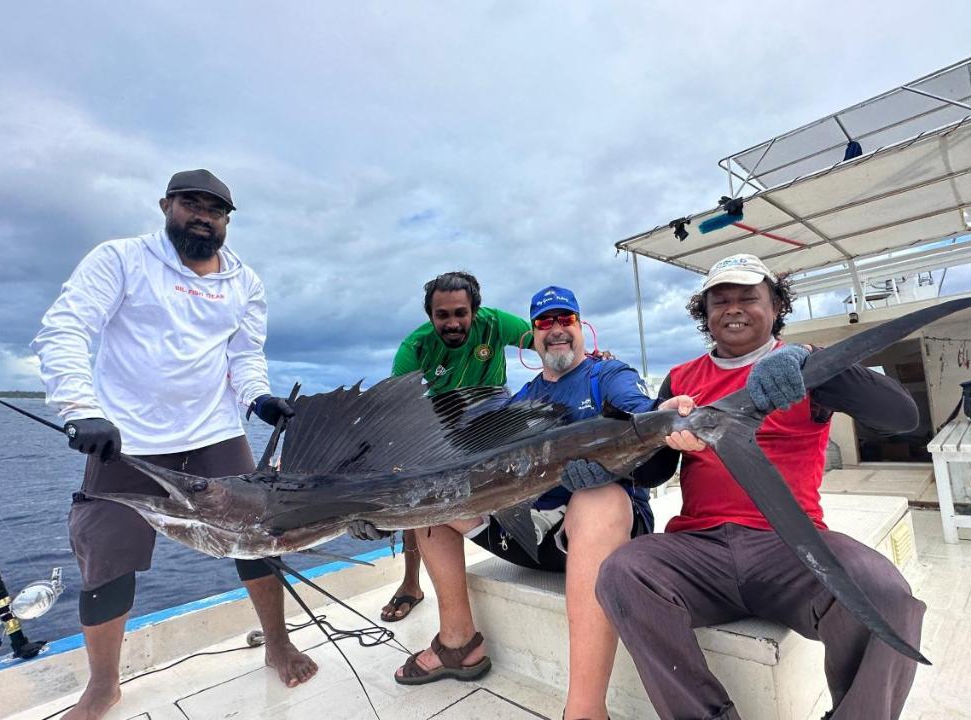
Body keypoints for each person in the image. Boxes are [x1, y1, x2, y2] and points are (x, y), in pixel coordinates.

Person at [32, 169, 317, 720]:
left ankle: (277, 642)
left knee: (258, 539)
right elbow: (66, 328)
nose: (203, 215)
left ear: (228, 220)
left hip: (215, 433)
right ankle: (103, 685)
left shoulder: (244, 283)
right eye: (191, 203)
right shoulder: (120, 259)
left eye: (215, 208)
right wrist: (80, 408)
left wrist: (258, 398)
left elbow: (244, 355)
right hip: (128, 442)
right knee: (106, 553)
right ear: (166, 205)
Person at [594, 254, 926, 720]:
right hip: (698, 548)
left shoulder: (806, 368)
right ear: (705, 315)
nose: (733, 308)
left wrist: (815, 363)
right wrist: (647, 438)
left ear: (775, 307)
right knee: (622, 571)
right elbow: (649, 474)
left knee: (887, 596)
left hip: (791, 547)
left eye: (748, 297)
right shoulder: (681, 379)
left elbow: (901, 418)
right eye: (720, 300)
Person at [388, 286, 695, 720]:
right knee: (432, 502)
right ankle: (460, 644)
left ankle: (585, 710)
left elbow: (639, 412)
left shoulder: (608, 375)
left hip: (607, 536)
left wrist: (662, 413)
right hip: (537, 535)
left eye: (564, 319)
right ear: (531, 335)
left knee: (598, 496)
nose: (556, 330)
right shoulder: (522, 400)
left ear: (580, 326)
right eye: (544, 323)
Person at [363, 271, 531, 623]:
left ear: (475, 311)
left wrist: (591, 356)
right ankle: (411, 583)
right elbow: (395, 409)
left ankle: (527, 527)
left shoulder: (497, 323)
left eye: (460, 313)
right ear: (430, 316)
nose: (453, 323)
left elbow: (547, 340)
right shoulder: (415, 347)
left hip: (492, 408)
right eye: (443, 316)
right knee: (413, 481)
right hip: (442, 418)